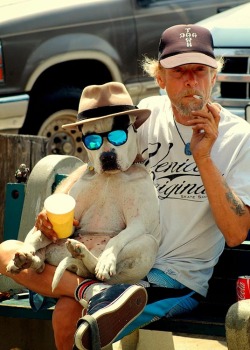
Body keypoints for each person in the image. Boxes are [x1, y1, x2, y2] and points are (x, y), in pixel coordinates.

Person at [1, 23, 250, 350]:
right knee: (7, 251)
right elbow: (92, 168)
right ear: (160, 79)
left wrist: (204, 157)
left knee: (71, 317)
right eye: (178, 72)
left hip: (173, 278)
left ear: (214, 76)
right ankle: (90, 291)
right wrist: (56, 208)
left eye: (200, 70)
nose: (191, 80)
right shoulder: (143, 120)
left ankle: (89, 293)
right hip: (104, 259)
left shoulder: (238, 138)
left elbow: (235, 233)